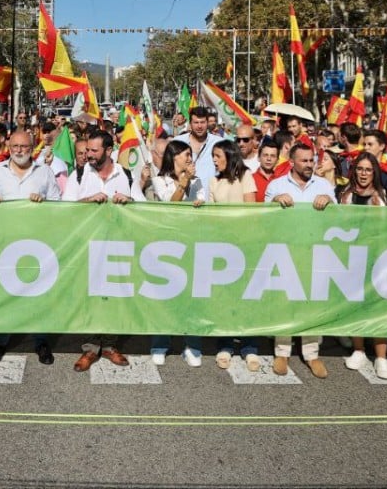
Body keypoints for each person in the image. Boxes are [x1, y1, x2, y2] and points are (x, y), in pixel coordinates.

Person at [63, 130, 141, 372]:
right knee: (90, 298)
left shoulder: (126, 175)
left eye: (94, 151)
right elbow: (64, 209)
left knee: (114, 297)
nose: (88, 155)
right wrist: (88, 201)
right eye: (87, 151)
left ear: (109, 151)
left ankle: (109, 345)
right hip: (87, 247)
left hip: (119, 246)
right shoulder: (78, 175)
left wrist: (128, 202)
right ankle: (90, 348)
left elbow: (143, 209)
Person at [0, 129, 61, 364]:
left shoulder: (45, 172)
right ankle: (0, 341)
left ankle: (41, 341)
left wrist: (44, 202)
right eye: (15, 146)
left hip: (37, 242)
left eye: (24, 147)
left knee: (37, 295)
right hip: (5, 243)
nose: (19, 151)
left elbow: (59, 204)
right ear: (8, 147)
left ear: (32, 147)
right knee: (6, 293)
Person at [264, 143, 334, 378]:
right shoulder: (277, 185)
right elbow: (262, 218)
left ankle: (311, 353)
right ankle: (282, 352)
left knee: (312, 302)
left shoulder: (324, 185)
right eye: (304, 161)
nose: (309, 164)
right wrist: (275, 201)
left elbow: (339, 216)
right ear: (292, 162)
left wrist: (329, 201)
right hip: (285, 251)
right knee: (285, 302)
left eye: (311, 160)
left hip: (316, 251)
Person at [338, 153, 387, 380]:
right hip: (352, 257)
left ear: (375, 172)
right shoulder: (345, 196)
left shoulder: (383, 196)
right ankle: (358, 349)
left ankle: (381, 358)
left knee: (378, 308)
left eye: (368, 170)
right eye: (359, 169)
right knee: (356, 306)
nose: (363, 174)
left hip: (378, 257)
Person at [149, 139, 204, 365]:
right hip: (167, 243)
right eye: (185, 155)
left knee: (193, 296)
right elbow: (170, 205)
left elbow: (202, 203)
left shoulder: (199, 181)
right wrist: (183, 182)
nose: (189, 158)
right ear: (173, 157)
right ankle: (160, 343)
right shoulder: (159, 180)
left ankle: (192, 345)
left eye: (191, 154)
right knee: (165, 294)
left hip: (193, 242)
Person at [208, 139, 259, 370]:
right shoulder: (213, 181)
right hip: (220, 247)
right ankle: (226, 343)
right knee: (225, 298)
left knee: (247, 298)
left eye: (218, 156)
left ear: (229, 156)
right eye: (213, 156)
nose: (214, 160)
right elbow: (211, 213)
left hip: (244, 245)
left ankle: (249, 346)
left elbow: (251, 212)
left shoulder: (245, 177)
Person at [172, 107, 224, 201]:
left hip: (211, 205)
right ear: (190, 124)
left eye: (202, 122)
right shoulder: (177, 142)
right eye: (196, 122)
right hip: (184, 205)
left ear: (207, 123)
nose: (199, 126)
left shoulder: (219, 143)